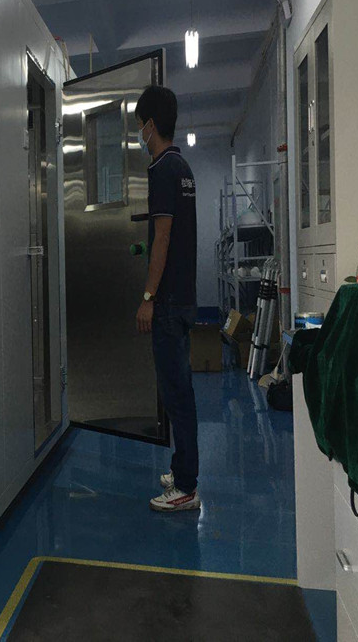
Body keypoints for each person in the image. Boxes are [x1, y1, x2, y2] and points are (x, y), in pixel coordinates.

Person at [134, 85, 200, 512]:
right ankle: (182, 470)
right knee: (180, 391)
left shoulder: (161, 170)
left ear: (151, 125)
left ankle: (187, 487)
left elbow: (162, 238)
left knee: (177, 395)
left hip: (169, 302)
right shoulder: (184, 168)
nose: (140, 132)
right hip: (185, 297)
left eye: (141, 124)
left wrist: (148, 297)